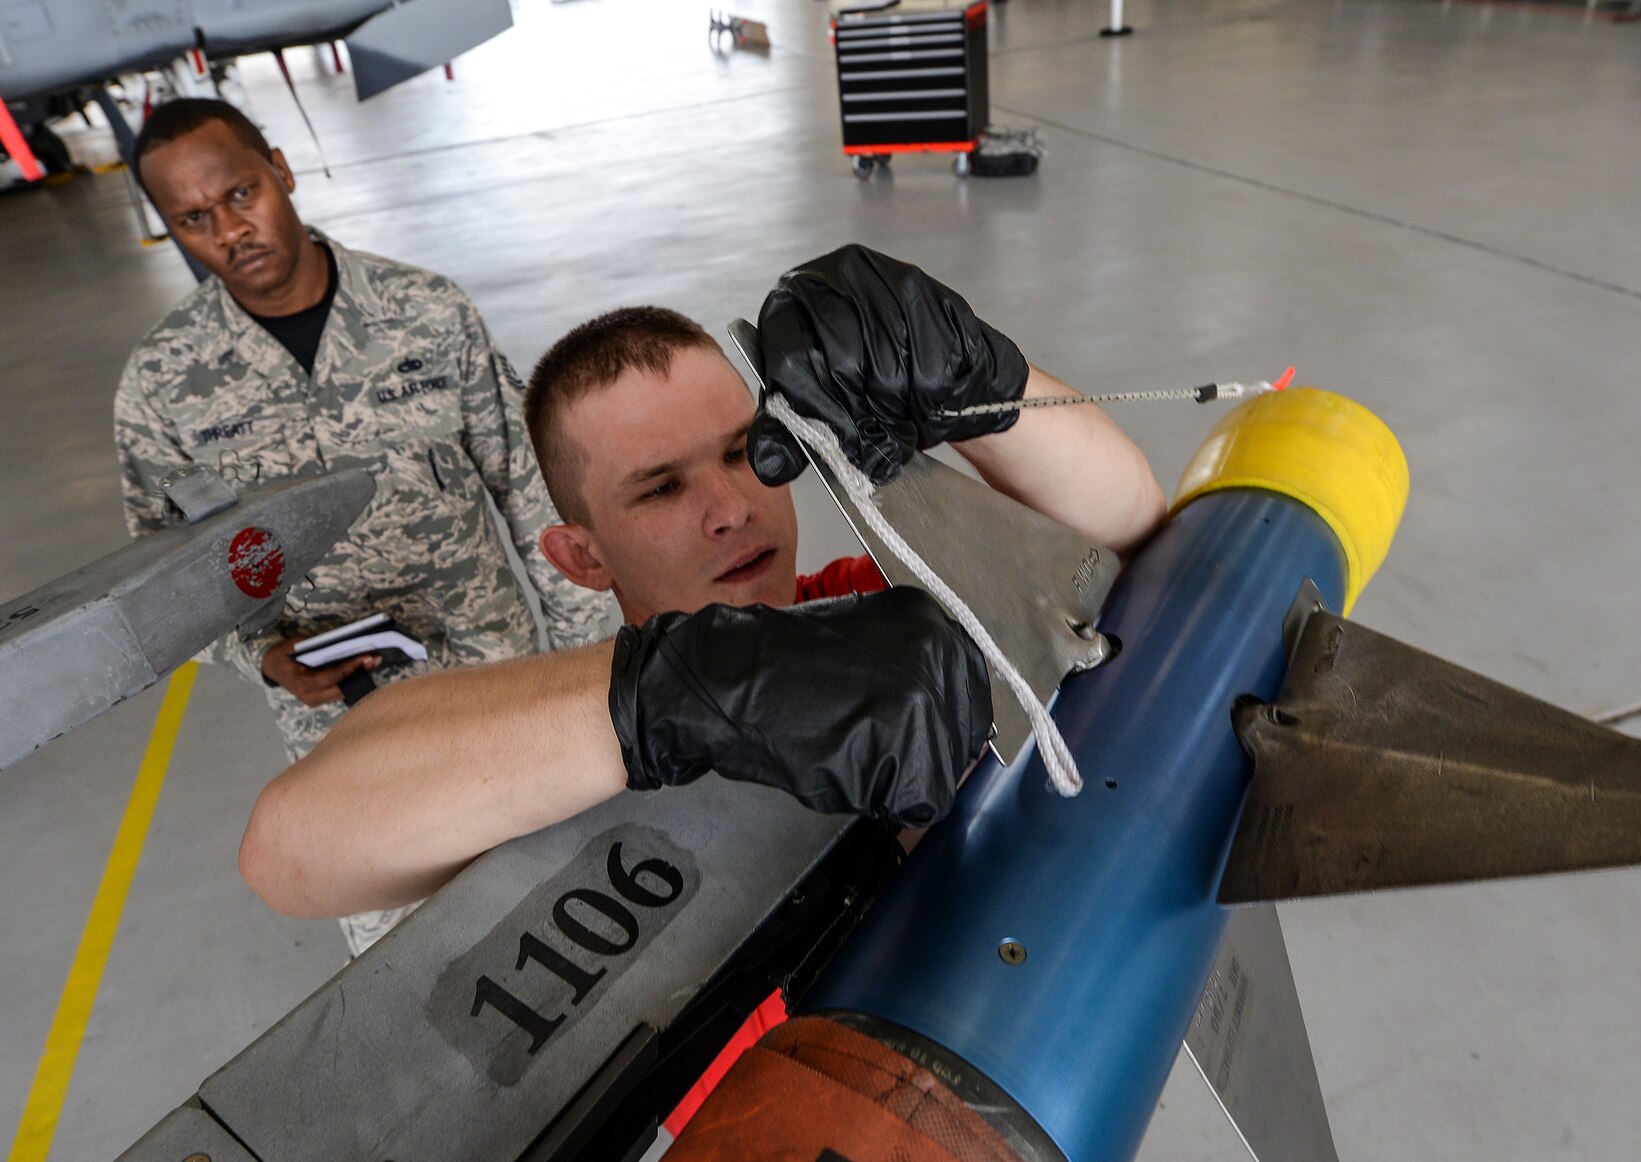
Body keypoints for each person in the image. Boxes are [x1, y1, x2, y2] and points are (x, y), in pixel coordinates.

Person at [237, 244, 1165, 919]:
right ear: (580, 557)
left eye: (740, 452)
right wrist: (683, 693)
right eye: (661, 488)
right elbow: (287, 852)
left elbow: (1121, 544)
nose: (732, 507)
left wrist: (979, 385)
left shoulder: (875, 613)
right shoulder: (549, 749)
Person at [113, 98, 614, 955]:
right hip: (343, 730)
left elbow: (531, 492)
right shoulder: (162, 386)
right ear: (168, 229)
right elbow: (167, 583)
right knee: (410, 963)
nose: (230, 230)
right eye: (193, 219)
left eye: (240, 194)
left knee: (568, 916)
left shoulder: (426, 312)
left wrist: (586, 674)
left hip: (497, 690)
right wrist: (262, 660)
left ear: (281, 167)